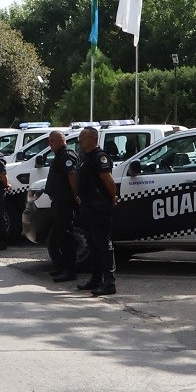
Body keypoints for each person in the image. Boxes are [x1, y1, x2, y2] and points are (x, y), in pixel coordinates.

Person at [74, 126, 117, 296]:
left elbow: (109, 182)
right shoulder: (86, 157)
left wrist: (112, 198)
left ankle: (109, 282)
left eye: (83, 137)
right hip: (88, 206)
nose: (80, 140)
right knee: (93, 244)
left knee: (103, 244)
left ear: (93, 138)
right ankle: (96, 279)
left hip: (99, 206)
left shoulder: (100, 157)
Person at [45, 131, 79, 282]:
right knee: (59, 235)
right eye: (49, 141)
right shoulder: (60, 155)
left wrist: (76, 195)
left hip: (65, 202)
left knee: (66, 236)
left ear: (61, 140)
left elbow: (72, 175)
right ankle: (63, 266)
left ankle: (70, 270)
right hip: (58, 201)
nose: (50, 144)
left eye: (52, 141)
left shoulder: (67, 155)